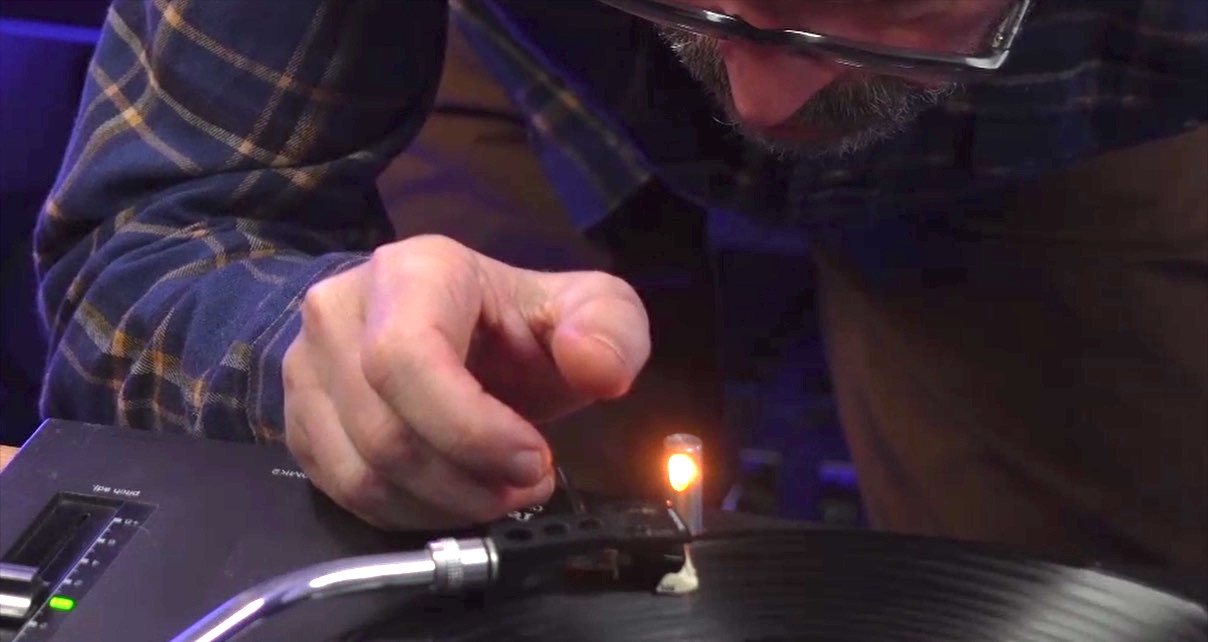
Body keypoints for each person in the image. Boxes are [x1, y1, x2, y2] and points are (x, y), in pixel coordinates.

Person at [35, 0, 1206, 572]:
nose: (761, 106)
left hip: (1074, 156)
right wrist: (303, 353)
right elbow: (154, 230)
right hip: (541, 71)